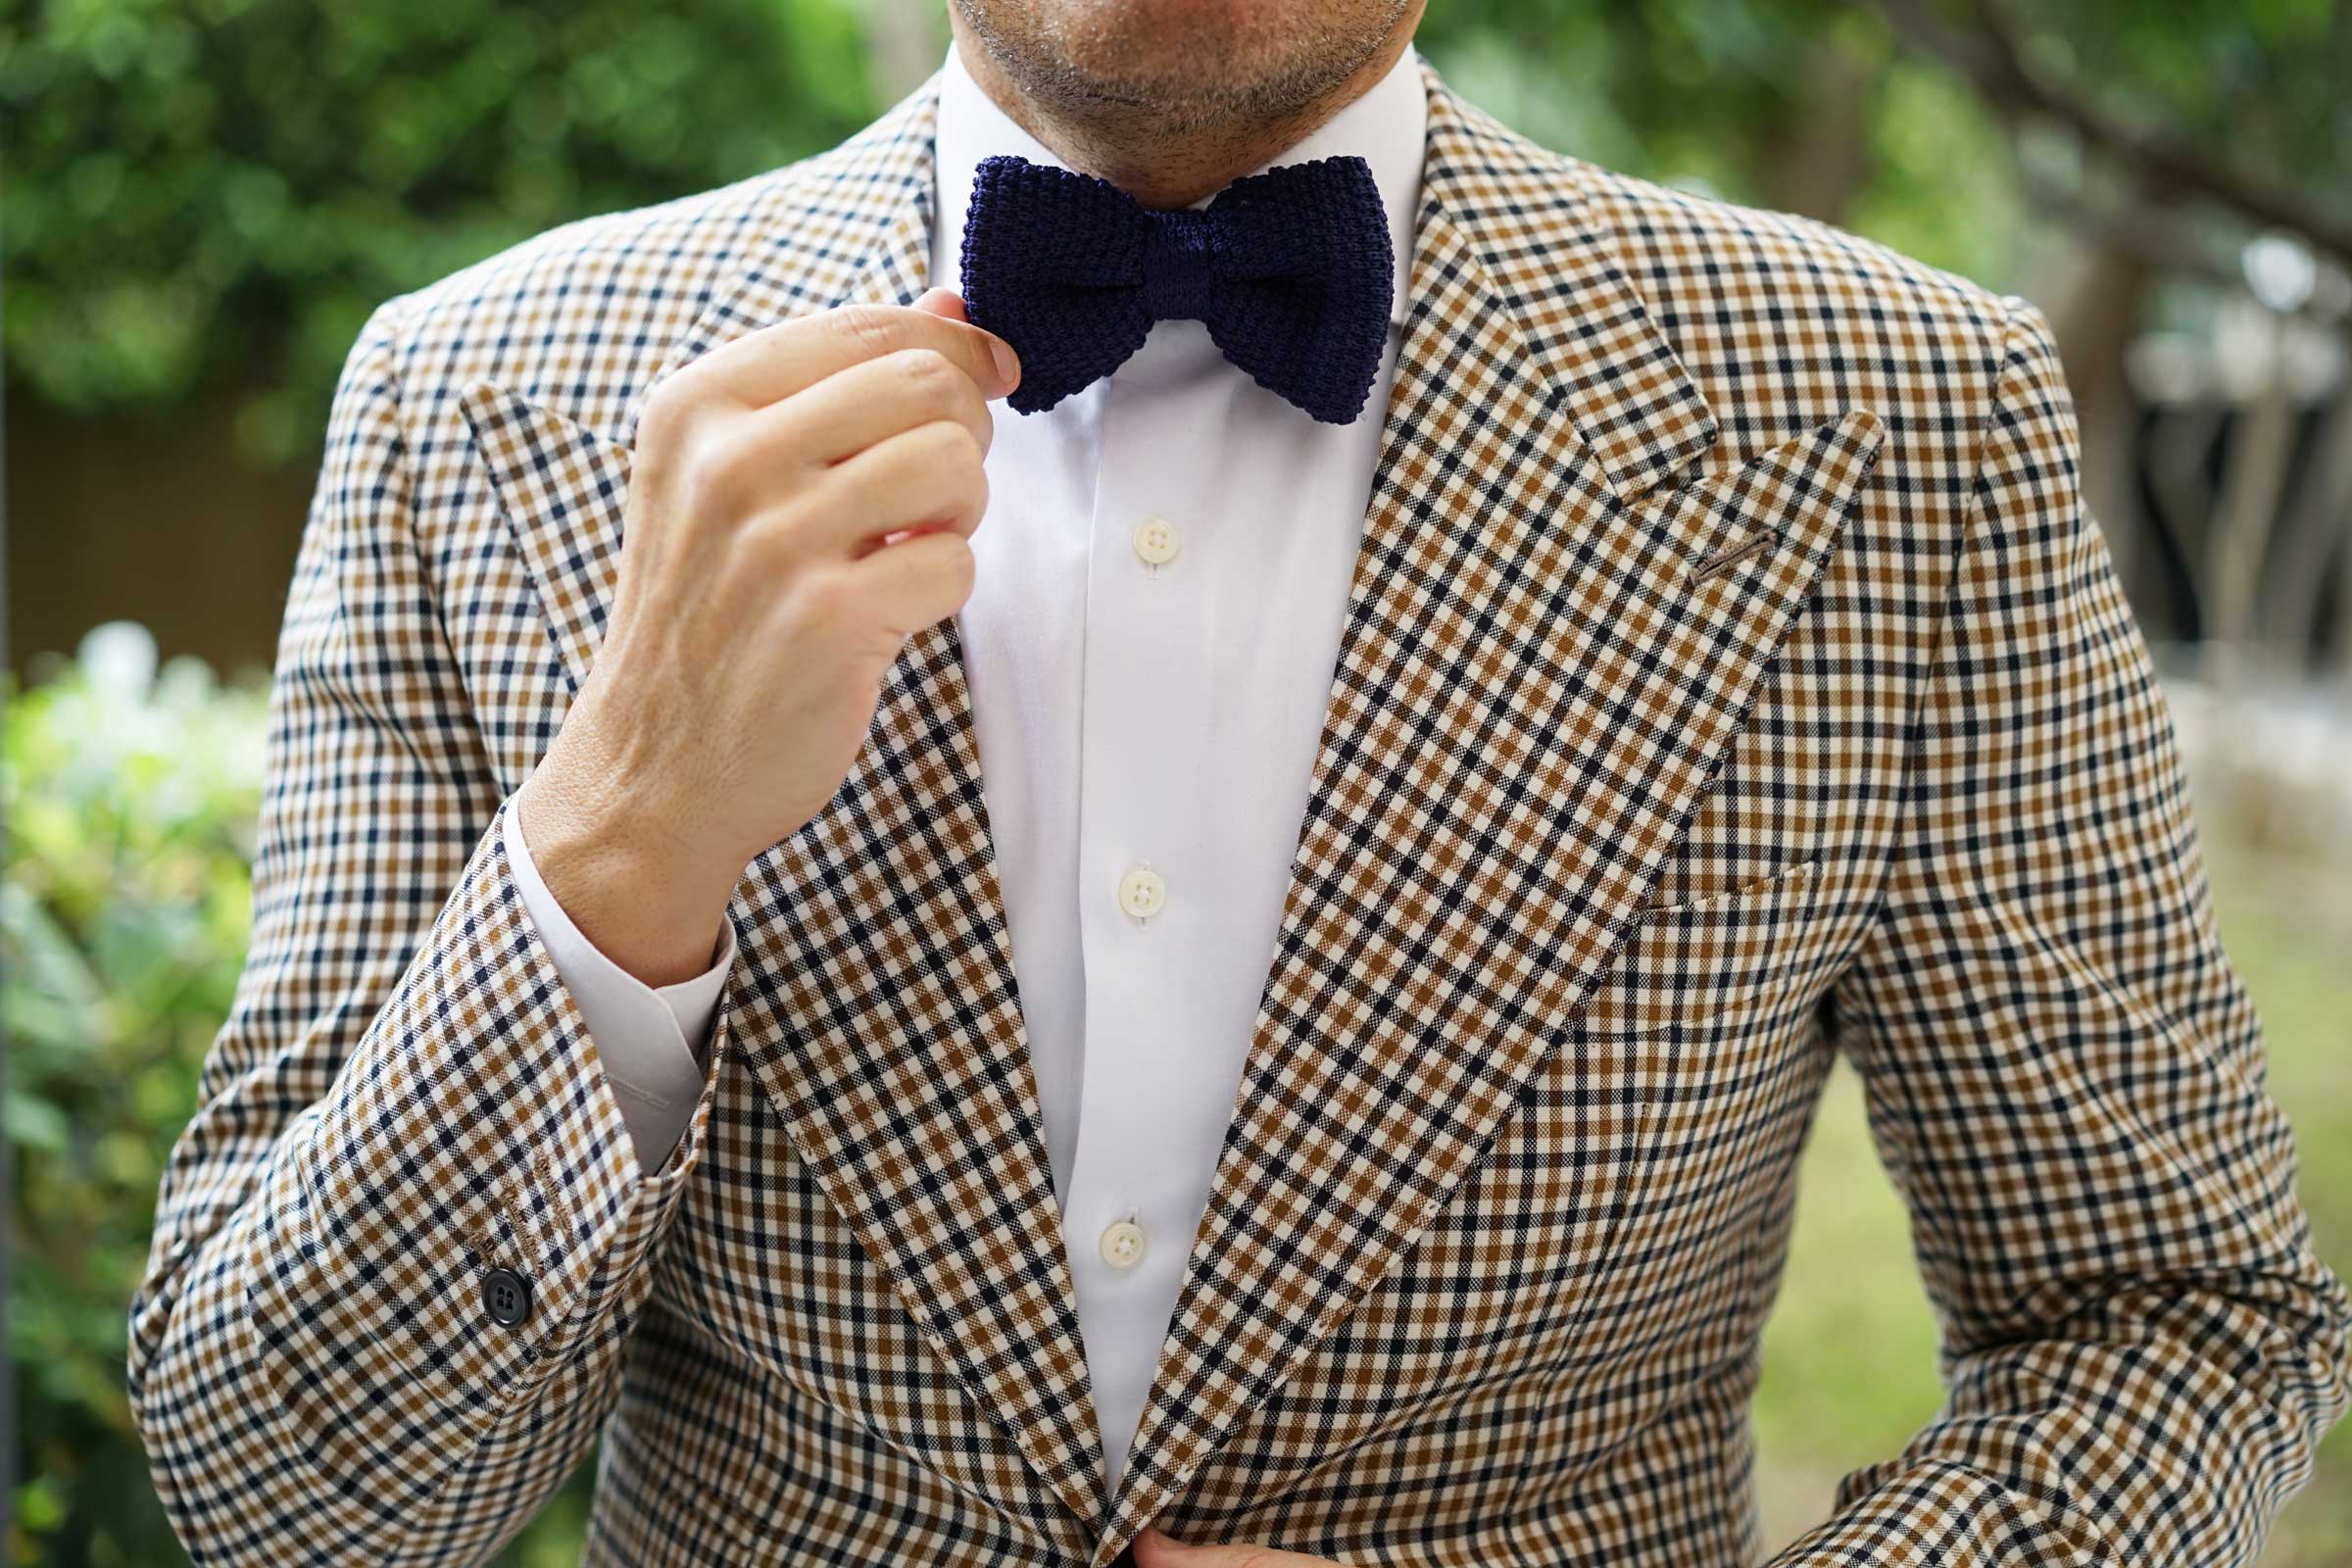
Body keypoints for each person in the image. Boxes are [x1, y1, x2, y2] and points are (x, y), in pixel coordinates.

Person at [128, 0, 2349, 1563]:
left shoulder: (1899, 423)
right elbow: (293, 1494)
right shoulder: (472, 403)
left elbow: (2177, 1321)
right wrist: (622, 829)